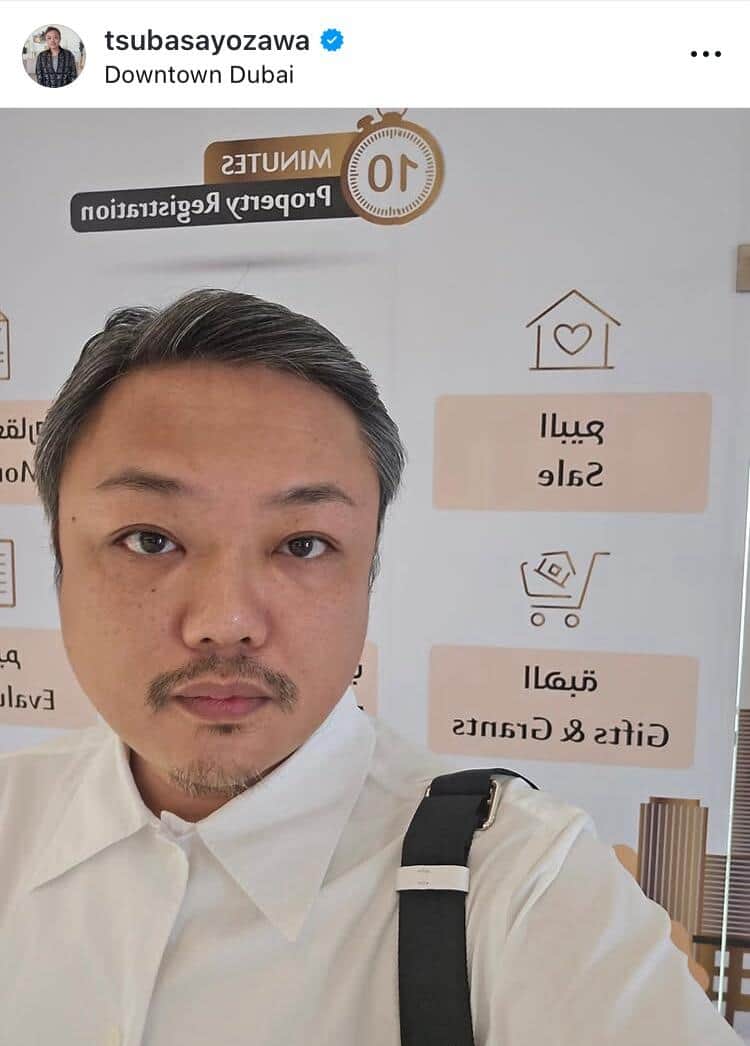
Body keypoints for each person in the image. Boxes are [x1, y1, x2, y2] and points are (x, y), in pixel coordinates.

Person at [0, 289, 740, 1044]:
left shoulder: (518, 886)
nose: (227, 621)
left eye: (303, 545)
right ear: (59, 560)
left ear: (369, 571)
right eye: (150, 540)